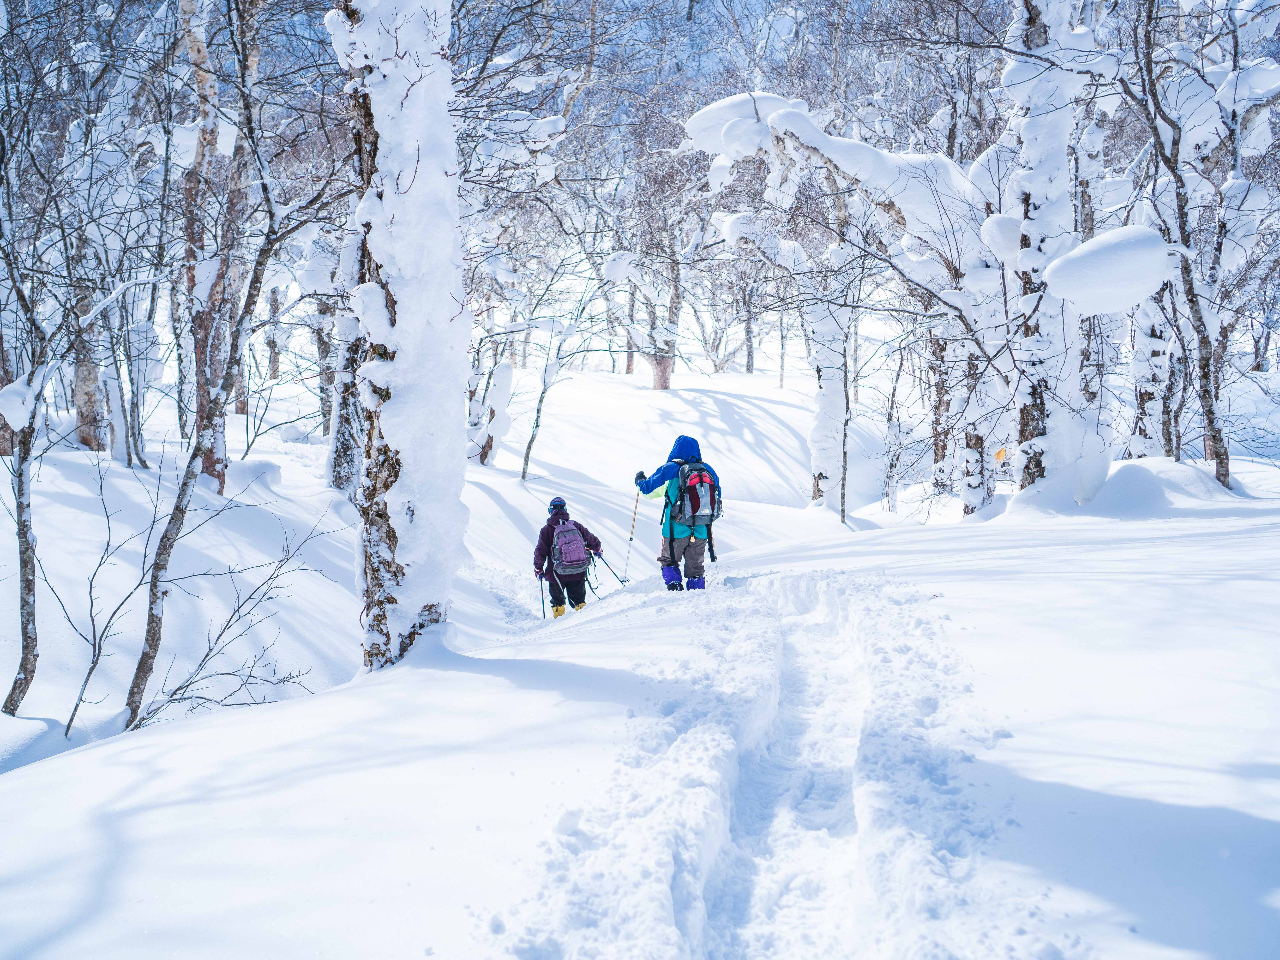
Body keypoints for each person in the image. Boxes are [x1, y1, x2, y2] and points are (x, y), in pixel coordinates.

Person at [634, 435, 720, 591]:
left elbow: (648, 491)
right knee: (696, 569)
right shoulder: (708, 470)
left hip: (675, 529)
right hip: (702, 529)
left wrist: (640, 481)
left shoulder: (670, 469)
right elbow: (716, 496)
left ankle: (675, 591)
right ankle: (697, 594)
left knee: (669, 561)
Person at [533, 496, 603, 618]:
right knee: (579, 601)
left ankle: (559, 621)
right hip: (578, 571)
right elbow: (592, 540)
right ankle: (583, 620)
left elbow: (540, 551)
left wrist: (538, 568)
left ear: (550, 511)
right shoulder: (575, 525)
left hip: (556, 574)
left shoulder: (547, 530)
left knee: (558, 602)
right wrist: (597, 549)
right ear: (565, 509)